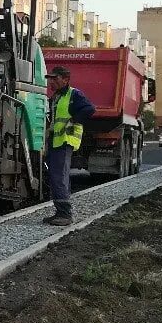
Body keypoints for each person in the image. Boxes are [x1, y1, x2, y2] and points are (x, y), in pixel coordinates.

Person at [44, 64, 96, 227]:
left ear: (65, 79)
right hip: (56, 141)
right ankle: (60, 212)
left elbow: (90, 109)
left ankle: (65, 214)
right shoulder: (57, 96)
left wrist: (74, 120)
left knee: (59, 176)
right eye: (50, 79)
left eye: (55, 78)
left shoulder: (74, 94)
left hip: (65, 140)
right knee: (55, 176)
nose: (51, 82)